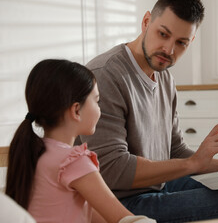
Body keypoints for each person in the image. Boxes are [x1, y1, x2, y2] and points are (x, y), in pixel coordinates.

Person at [79, 0, 218, 222]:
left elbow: (175, 150)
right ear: (146, 21)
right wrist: (192, 163)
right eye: (163, 34)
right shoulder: (106, 75)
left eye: (181, 42)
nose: (169, 50)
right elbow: (112, 170)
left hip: (157, 187)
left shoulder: (165, 78)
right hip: (122, 202)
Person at [5, 59, 155, 223]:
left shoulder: (35, 152)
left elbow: (89, 213)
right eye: (97, 101)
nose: (99, 108)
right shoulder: (73, 161)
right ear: (76, 110)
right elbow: (124, 218)